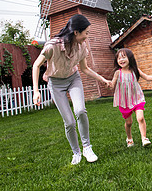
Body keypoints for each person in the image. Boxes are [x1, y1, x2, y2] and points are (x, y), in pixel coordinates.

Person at [32, 14, 110, 165]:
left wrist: (102, 79)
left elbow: (85, 69)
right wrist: (36, 91)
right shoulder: (52, 46)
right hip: (56, 84)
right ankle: (76, 152)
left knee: (80, 110)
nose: (87, 37)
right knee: (69, 122)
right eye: (86, 33)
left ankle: (87, 147)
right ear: (76, 32)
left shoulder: (82, 47)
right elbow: (36, 65)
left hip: (73, 79)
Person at [109, 48, 152, 147]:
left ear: (130, 58)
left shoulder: (135, 70)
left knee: (141, 118)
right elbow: (112, 84)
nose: (121, 60)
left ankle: (144, 138)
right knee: (129, 123)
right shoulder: (118, 73)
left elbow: (147, 77)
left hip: (137, 98)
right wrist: (109, 84)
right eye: (119, 58)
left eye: (124, 57)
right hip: (125, 101)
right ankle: (129, 138)